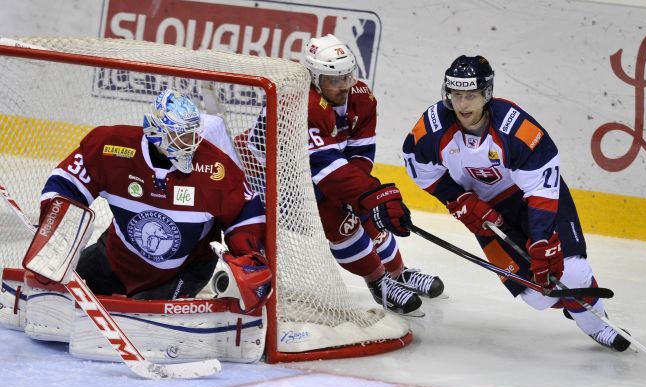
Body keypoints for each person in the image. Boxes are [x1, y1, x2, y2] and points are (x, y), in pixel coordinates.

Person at [401, 55, 629, 350]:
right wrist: (457, 198)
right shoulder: (433, 128)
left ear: (486, 94)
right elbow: (419, 168)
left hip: (531, 199)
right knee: (536, 295)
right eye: (456, 95)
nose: (462, 105)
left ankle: (595, 324)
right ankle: (575, 302)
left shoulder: (515, 128)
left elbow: (541, 189)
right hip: (487, 211)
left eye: (470, 96)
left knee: (571, 270)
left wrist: (542, 239)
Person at [36, 89, 269, 300]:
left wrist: (248, 256)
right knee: (54, 289)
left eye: (193, 134)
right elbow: (67, 182)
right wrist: (57, 223)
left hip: (183, 271)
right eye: (183, 136)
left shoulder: (215, 169)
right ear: (157, 131)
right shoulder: (112, 148)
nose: (193, 143)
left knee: (141, 314)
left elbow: (244, 212)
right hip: (116, 257)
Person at [299, 34, 444, 315]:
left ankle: (398, 274)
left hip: (326, 174)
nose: (345, 85)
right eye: (335, 79)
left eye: (348, 76)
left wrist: (363, 197)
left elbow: (361, 152)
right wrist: (369, 195)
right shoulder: (303, 105)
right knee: (343, 221)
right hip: (281, 182)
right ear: (315, 79)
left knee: (366, 210)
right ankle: (379, 283)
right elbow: (324, 165)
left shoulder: (361, 97)